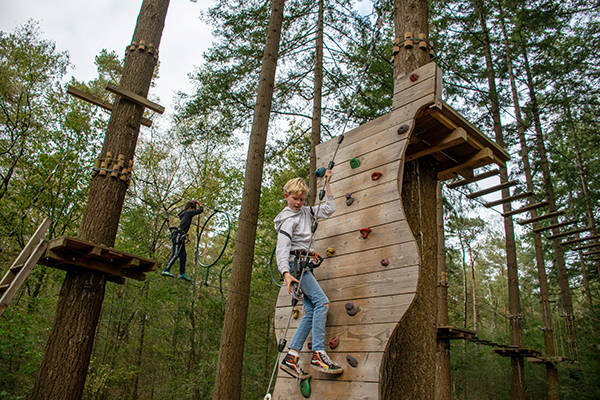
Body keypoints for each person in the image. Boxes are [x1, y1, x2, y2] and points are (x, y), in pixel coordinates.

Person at [274, 170, 343, 379]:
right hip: (296, 267)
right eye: (295, 198)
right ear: (286, 196)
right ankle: (319, 354)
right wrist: (286, 273)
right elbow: (282, 248)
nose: (298, 203)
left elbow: (330, 209)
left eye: (302, 199)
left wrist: (328, 183)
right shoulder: (288, 220)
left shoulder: (306, 212)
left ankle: (292, 356)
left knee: (312, 311)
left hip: (305, 264)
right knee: (322, 303)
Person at [162, 200, 203, 282]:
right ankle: (166, 269)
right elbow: (200, 210)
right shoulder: (188, 212)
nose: (193, 211)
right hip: (178, 235)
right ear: (190, 208)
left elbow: (180, 216)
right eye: (193, 209)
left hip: (181, 235)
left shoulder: (184, 213)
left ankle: (182, 273)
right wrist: (199, 204)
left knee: (183, 255)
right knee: (176, 253)